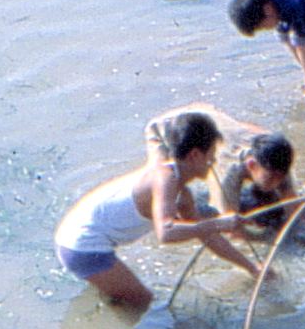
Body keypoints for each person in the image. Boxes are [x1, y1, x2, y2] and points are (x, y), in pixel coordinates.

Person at [54, 111, 263, 311]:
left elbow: (208, 236)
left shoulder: (183, 193)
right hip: (81, 246)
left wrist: (252, 268)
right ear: (195, 155)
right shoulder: (165, 178)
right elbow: (166, 233)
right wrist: (220, 223)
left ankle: (110, 294)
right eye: (211, 155)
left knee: (131, 298)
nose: (214, 162)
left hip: (76, 238)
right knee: (144, 302)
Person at [144, 103, 300, 230]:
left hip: (209, 118)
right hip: (165, 128)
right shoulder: (229, 171)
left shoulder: (277, 156)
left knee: (273, 209)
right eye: (271, 177)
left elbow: (291, 203)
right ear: (251, 165)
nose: (277, 183)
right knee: (168, 187)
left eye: (281, 177)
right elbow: (229, 226)